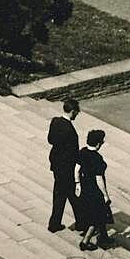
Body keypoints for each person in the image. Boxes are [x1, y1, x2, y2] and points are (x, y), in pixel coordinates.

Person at [76, 130, 113, 250]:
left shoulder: (82, 152)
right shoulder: (97, 159)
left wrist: (78, 184)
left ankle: (104, 236)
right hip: (95, 191)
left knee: (98, 213)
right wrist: (106, 195)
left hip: (84, 188)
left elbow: (76, 169)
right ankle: (85, 242)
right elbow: (99, 179)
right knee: (97, 217)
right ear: (98, 144)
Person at [47, 98, 80, 233]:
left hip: (56, 164)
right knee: (72, 195)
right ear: (72, 111)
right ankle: (81, 222)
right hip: (66, 168)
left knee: (62, 195)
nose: (77, 115)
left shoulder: (55, 121)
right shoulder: (70, 131)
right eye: (76, 112)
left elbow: (50, 140)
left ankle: (55, 223)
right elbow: (73, 152)